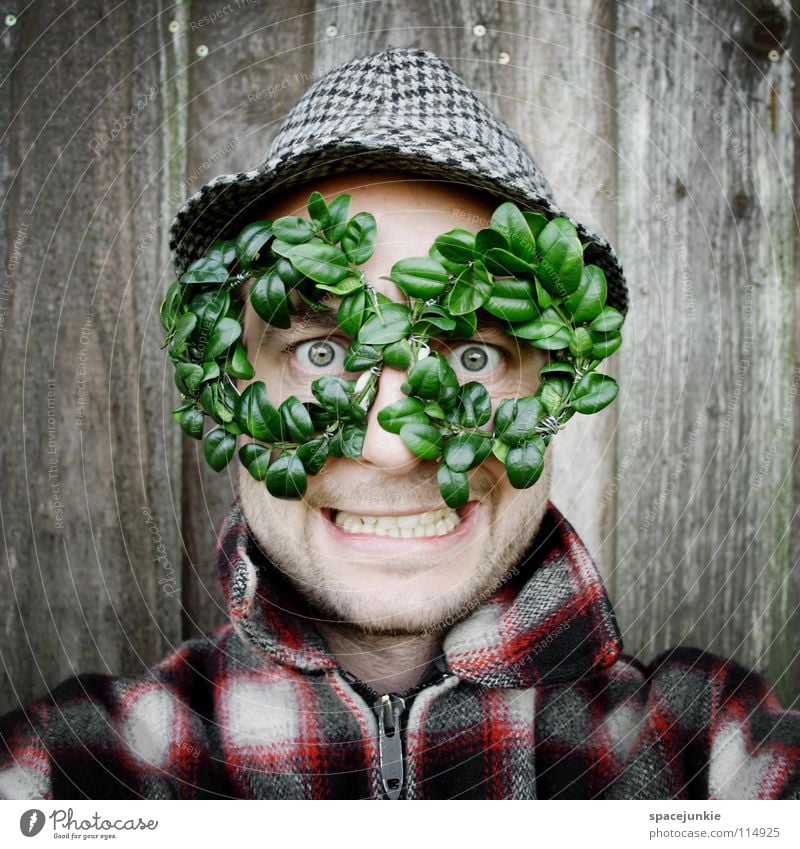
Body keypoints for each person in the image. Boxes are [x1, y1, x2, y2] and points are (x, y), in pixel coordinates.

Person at [1, 47, 798, 801]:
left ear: (556, 382)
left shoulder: (709, 754)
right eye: (319, 351)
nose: (391, 446)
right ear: (225, 381)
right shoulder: (74, 770)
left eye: (474, 355)